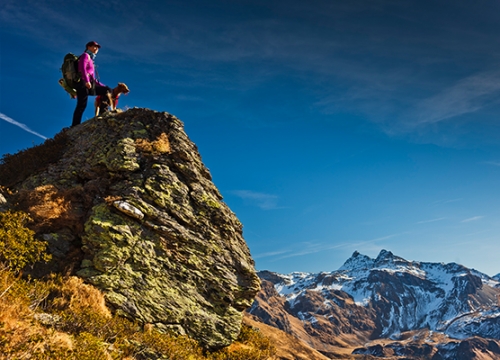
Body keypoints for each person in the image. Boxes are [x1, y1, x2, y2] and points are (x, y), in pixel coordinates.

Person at [72, 41, 112, 127]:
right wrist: (86, 81)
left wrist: (102, 86)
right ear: (88, 47)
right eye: (94, 46)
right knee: (81, 105)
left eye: (97, 47)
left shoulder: (91, 58)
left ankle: (103, 111)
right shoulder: (85, 56)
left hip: (89, 84)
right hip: (83, 83)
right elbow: (81, 68)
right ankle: (74, 125)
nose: (96, 48)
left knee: (107, 90)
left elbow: (93, 78)